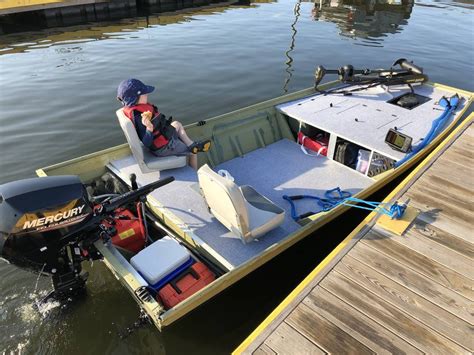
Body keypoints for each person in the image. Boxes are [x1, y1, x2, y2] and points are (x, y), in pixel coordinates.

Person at [117, 78, 211, 169]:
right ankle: (193, 160)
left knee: (176, 124)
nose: (147, 94)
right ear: (135, 98)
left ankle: (191, 144)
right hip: (162, 148)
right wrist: (149, 127)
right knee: (193, 153)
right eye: (144, 94)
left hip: (162, 138)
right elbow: (147, 143)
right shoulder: (139, 117)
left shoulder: (132, 109)